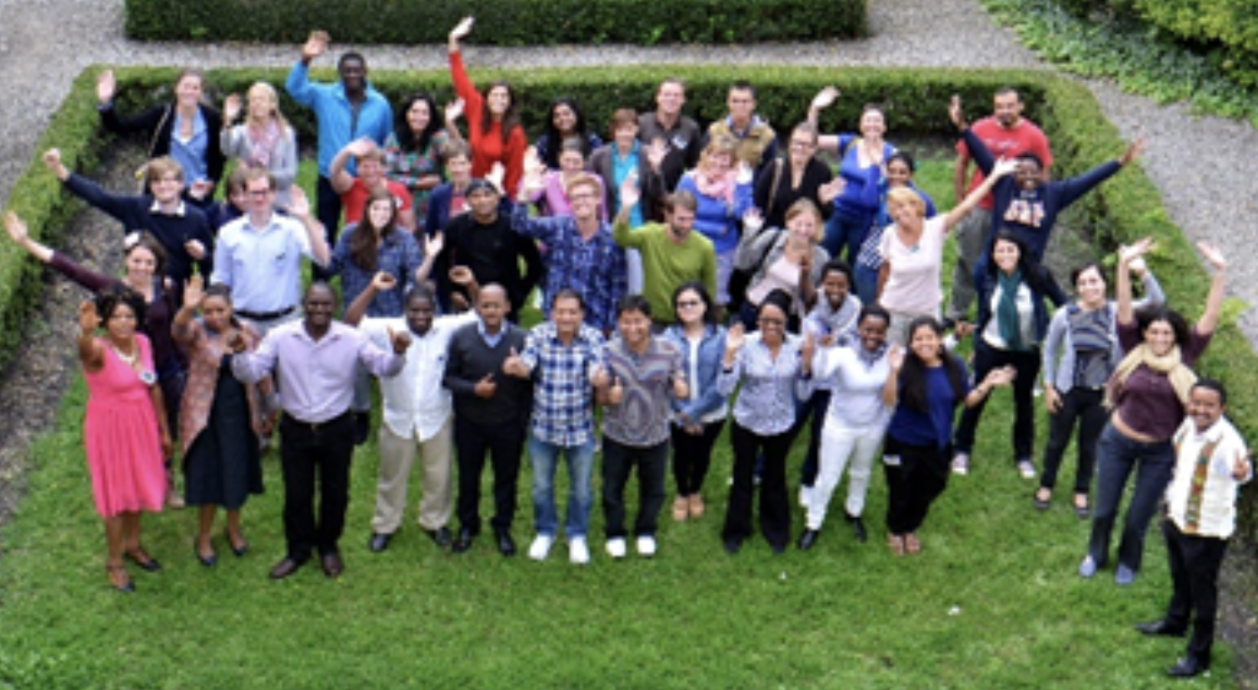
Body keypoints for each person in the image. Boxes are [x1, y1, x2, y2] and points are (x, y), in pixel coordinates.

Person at [229, 283, 410, 580]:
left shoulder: (352, 338)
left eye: (326, 304)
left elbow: (383, 368)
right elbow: (251, 371)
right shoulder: (281, 336)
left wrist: (398, 354)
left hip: (337, 427)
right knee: (297, 494)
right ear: (304, 304)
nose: (319, 309)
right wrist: (239, 353)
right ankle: (298, 551)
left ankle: (328, 547)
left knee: (335, 492)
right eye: (313, 303)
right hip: (296, 427)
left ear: (334, 306)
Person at [5, 213, 187, 506]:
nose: (142, 267)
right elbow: (70, 268)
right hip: (131, 369)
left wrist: (183, 365)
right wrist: (26, 242)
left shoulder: (166, 287)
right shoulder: (112, 289)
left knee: (171, 425)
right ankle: (154, 480)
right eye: (137, 260)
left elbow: (173, 326)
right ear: (127, 260)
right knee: (146, 426)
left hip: (166, 368)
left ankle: (168, 476)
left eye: (148, 262)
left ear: (157, 265)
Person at [1080, 238, 1226, 585]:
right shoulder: (1133, 348)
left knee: (1138, 516)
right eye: (1154, 331)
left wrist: (1220, 272)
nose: (1160, 337)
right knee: (1104, 510)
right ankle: (1095, 553)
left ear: (1176, 336)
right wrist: (1123, 265)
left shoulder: (1187, 357)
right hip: (1117, 441)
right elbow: (1125, 310)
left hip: (1160, 451)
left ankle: (1128, 562)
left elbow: (1210, 316)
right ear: (1145, 334)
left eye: (1167, 332)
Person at [345, 272, 478, 552]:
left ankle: (434, 521)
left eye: (426, 310)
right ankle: (385, 525)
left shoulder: (446, 328)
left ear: (434, 310)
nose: (420, 316)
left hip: (437, 415)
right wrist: (371, 288)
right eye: (414, 310)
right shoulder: (387, 328)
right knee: (391, 475)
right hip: (398, 417)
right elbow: (350, 322)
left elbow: (480, 314)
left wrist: (471, 284)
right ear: (405, 310)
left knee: (438, 476)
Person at [1134, 380, 1252, 679]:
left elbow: (1239, 472)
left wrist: (1243, 473)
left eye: (1209, 405)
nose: (1200, 410)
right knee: (1180, 577)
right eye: (1195, 403)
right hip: (1178, 518)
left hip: (1206, 531)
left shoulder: (1228, 442)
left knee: (1203, 593)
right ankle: (1175, 623)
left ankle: (1199, 656)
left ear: (1221, 409)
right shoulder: (1188, 425)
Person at [949, 96, 1144, 271]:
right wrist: (962, 126)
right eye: (1022, 172)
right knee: (984, 287)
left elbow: (1089, 180)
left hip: (1028, 267)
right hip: (997, 264)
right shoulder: (1004, 185)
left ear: (1041, 173)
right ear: (1013, 172)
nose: (1027, 177)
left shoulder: (1054, 193)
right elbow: (980, 152)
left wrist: (1120, 162)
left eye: (1033, 172)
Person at [1038, 256, 1165, 515]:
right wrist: (1049, 386)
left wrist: (1142, 271)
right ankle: (1046, 484)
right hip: (1068, 389)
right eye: (1083, 283)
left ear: (1104, 284)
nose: (1089, 287)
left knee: (1090, 444)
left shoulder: (1119, 312)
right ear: (1077, 288)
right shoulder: (1065, 315)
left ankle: (1081, 490)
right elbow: (1049, 351)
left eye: (1094, 281)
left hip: (1101, 393)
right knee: (1057, 441)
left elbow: (1156, 301)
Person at [881, 317, 1014, 555]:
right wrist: (893, 372)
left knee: (931, 487)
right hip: (903, 442)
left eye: (929, 337)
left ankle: (910, 527)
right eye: (918, 339)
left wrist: (987, 383)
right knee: (900, 489)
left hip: (938, 444)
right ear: (911, 343)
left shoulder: (955, 366)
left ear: (940, 340)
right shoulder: (906, 367)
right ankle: (895, 529)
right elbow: (889, 400)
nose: (924, 343)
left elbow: (968, 400)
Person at [950, 232, 1068, 479]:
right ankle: (962, 449)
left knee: (1023, 403)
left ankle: (1023, 455)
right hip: (991, 347)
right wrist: (977, 338)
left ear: (1020, 251)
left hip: (1026, 351)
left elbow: (1063, 304)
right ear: (992, 255)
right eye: (999, 250)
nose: (1004, 255)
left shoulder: (1038, 276)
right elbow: (985, 311)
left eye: (1010, 249)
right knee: (978, 397)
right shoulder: (987, 277)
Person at [77, 289, 172, 593]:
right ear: (105, 320)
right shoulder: (98, 350)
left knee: (137, 484)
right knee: (116, 495)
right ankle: (115, 562)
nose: (123, 322)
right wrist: (84, 332)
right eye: (116, 316)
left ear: (137, 320)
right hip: (110, 428)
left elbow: (153, 387)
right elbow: (85, 352)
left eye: (129, 316)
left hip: (141, 422)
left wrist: (164, 430)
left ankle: (133, 544)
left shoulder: (142, 343)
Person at [327, 189, 440, 444]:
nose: (380, 214)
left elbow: (416, 277)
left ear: (393, 215)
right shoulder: (350, 234)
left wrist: (430, 258)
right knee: (356, 367)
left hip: (391, 313)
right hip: (358, 313)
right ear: (367, 210)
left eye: (386, 210)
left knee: (396, 364)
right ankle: (362, 412)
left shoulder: (403, 238)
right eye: (376, 208)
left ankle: (400, 413)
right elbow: (330, 266)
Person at [502, 289, 606, 565]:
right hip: (543, 428)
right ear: (552, 313)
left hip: (580, 429)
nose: (566, 317)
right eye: (561, 311)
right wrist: (516, 366)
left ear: (582, 314)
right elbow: (527, 365)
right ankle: (545, 531)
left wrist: (600, 378)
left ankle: (577, 534)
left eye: (572, 312)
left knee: (581, 488)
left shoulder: (594, 338)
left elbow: (597, 370)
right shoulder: (538, 335)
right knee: (540, 487)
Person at [173, 276, 271, 567]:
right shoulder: (198, 331)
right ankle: (203, 535)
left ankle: (233, 528)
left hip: (239, 414)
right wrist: (187, 309)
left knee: (236, 470)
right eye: (209, 311)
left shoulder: (249, 333)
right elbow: (178, 332)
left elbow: (261, 372)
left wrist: (269, 408)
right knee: (209, 474)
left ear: (231, 308)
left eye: (220, 310)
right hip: (205, 416)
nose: (214, 317)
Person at [877, 157, 1018, 347]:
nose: (899, 213)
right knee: (894, 361)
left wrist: (994, 176)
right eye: (894, 209)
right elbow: (885, 270)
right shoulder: (889, 234)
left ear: (917, 207)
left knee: (927, 358)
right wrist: (879, 303)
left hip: (926, 310)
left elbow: (967, 205)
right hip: (894, 309)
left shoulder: (935, 228)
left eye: (904, 206)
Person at [718, 290, 815, 555]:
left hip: (781, 424)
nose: (770, 328)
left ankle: (775, 530)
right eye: (765, 321)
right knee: (743, 476)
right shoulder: (745, 344)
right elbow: (725, 388)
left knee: (775, 477)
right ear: (757, 320)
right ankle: (736, 530)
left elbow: (804, 394)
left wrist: (807, 364)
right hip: (747, 422)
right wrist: (729, 356)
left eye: (777, 322)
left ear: (787, 323)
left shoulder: (796, 346)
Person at [947, 87, 1053, 328]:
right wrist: (961, 200)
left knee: (1008, 264)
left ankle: (999, 311)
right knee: (968, 260)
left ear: (1020, 106)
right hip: (979, 206)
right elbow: (962, 163)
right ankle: (956, 312)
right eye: (999, 106)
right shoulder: (980, 129)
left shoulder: (1034, 136)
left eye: (1010, 105)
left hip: (1012, 211)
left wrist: (1039, 206)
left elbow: (1043, 175)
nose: (1004, 111)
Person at [286, 30, 393, 266]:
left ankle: (360, 271)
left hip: (365, 180)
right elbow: (294, 89)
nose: (352, 75)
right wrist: (305, 59)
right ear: (340, 73)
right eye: (347, 71)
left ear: (365, 72)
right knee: (325, 231)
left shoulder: (380, 104)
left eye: (357, 70)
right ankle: (322, 281)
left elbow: (387, 141)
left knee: (365, 230)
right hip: (330, 175)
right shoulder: (324, 95)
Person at [443, 282, 532, 556]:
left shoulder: (522, 339)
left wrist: (521, 372)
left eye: (496, 305)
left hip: (507, 423)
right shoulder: (461, 337)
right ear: (477, 307)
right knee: (469, 477)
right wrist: (473, 390)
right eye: (485, 305)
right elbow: (448, 378)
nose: (491, 310)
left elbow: (533, 381)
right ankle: (468, 525)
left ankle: (502, 526)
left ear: (507, 307)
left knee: (506, 478)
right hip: (470, 423)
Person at [43, 149, 213, 289]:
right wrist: (60, 170)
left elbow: (211, 265)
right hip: (136, 291)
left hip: (174, 297)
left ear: (181, 184)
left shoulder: (196, 219)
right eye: (157, 181)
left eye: (168, 180)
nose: (163, 186)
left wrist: (203, 255)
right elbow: (99, 197)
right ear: (151, 186)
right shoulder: (136, 207)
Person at [599, 295, 686, 558]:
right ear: (618, 322)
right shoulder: (608, 351)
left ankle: (645, 530)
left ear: (650, 321)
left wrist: (681, 388)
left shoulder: (669, 351)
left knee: (654, 489)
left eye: (638, 321)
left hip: (655, 435)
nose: (632, 328)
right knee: (612, 487)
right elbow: (599, 396)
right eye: (626, 321)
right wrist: (606, 395)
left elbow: (678, 383)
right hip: (617, 433)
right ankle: (615, 532)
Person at [799, 305, 893, 550]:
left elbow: (925, 351)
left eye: (879, 331)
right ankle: (813, 523)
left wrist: (954, 338)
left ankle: (854, 512)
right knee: (828, 478)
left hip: (872, 426)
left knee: (861, 473)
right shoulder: (842, 352)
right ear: (859, 327)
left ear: (886, 333)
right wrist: (820, 351)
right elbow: (819, 373)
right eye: (867, 329)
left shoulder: (891, 354)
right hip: (840, 425)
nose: (872, 336)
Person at [211, 168, 330, 336]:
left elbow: (323, 259)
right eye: (254, 193)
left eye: (264, 192)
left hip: (285, 321)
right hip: (244, 322)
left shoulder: (292, 228)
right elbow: (220, 279)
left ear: (273, 193)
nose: (260, 198)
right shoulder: (228, 233)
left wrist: (305, 218)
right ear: (245, 195)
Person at [513, 167, 626, 334]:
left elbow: (618, 283)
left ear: (598, 199)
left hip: (595, 319)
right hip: (558, 317)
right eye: (575, 198)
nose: (581, 201)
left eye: (586, 196)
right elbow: (520, 225)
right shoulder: (558, 226)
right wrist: (523, 197)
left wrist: (611, 324)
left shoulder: (612, 237)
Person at [96, 68, 225, 206]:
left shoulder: (212, 119)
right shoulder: (161, 114)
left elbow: (220, 154)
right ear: (176, 88)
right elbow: (120, 127)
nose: (190, 92)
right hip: (162, 191)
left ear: (200, 92)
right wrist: (106, 103)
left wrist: (212, 181)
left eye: (195, 88)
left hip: (197, 193)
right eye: (186, 86)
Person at [796, 259, 863, 506]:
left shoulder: (856, 308)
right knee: (787, 426)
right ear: (822, 283)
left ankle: (808, 481)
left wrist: (837, 342)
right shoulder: (814, 300)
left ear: (849, 285)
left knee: (819, 435)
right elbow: (805, 296)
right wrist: (804, 274)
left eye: (841, 285)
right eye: (830, 284)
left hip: (834, 383)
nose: (835, 290)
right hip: (808, 374)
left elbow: (859, 344)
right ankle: (760, 470)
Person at [807, 86, 898, 264]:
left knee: (857, 265)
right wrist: (814, 109)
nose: (872, 125)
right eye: (868, 120)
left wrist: (879, 164)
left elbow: (895, 186)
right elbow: (812, 141)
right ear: (860, 125)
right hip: (838, 213)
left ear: (884, 126)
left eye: (877, 121)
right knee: (822, 258)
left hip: (867, 221)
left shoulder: (892, 154)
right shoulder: (851, 143)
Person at [662, 282, 728, 522]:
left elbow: (723, 381)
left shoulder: (721, 336)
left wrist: (695, 413)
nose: (687, 308)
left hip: (712, 412)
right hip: (677, 413)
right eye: (682, 304)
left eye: (693, 302)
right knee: (680, 454)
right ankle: (681, 493)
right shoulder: (668, 337)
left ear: (704, 305)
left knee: (702, 454)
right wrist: (684, 414)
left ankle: (695, 491)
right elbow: (664, 380)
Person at [612, 182, 717, 329]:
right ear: (668, 215)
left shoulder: (705, 246)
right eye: (681, 219)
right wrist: (626, 208)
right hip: (654, 319)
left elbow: (709, 289)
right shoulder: (651, 234)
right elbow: (621, 237)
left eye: (690, 219)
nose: (686, 225)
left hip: (686, 320)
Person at [437, 178, 543, 318]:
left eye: (487, 194)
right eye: (476, 196)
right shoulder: (455, 227)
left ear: (497, 198)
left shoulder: (513, 226)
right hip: (467, 298)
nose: (482, 200)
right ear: (467, 201)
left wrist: (520, 295)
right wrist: (451, 291)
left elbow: (534, 263)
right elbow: (441, 261)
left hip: (505, 300)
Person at [447, 17, 528, 197]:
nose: (499, 99)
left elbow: (515, 172)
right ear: (487, 98)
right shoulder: (477, 110)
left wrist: (506, 199)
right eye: (494, 95)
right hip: (470, 188)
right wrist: (453, 40)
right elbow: (460, 78)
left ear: (510, 102)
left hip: (495, 194)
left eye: (504, 96)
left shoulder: (515, 133)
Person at [675, 137, 754, 310]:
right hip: (690, 244)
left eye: (725, 158)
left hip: (723, 249)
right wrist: (716, 229)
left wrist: (742, 186)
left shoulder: (737, 183)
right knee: (688, 295)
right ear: (706, 156)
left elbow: (744, 215)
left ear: (733, 162)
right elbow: (678, 215)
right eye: (715, 156)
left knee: (716, 299)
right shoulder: (689, 180)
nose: (719, 162)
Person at [590, 108, 660, 293]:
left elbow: (658, 194)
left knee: (637, 281)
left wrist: (656, 170)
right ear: (613, 130)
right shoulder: (600, 156)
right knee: (609, 277)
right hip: (610, 224)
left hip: (639, 225)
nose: (625, 134)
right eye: (620, 129)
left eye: (629, 128)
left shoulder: (647, 154)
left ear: (637, 129)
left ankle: (635, 317)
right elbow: (591, 190)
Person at [854, 151, 937, 304]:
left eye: (902, 172)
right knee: (871, 310)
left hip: (904, 261)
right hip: (872, 259)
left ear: (911, 174)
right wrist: (874, 170)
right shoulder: (879, 190)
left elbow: (933, 227)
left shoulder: (920, 199)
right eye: (891, 171)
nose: (896, 177)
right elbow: (866, 202)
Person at [733, 199, 829, 330]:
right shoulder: (772, 237)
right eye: (798, 224)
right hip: (753, 308)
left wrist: (805, 274)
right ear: (788, 222)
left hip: (787, 320)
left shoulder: (821, 258)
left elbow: (811, 300)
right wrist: (749, 233)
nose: (803, 230)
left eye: (809, 225)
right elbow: (742, 263)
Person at [220, 82, 299, 206]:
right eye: (253, 100)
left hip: (278, 201)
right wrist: (228, 120)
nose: (257, 103)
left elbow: (289, 175)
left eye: (262, 99)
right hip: (248, 201)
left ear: (272, 104)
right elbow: (227, 150)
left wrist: (256, 176)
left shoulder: (286, 134)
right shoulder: (242, 132)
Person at [753, 122, 841, 231]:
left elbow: (825, 216)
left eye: (805, 144)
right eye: (796, 142)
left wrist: (824, 203)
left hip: (804, 237)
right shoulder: (775, 167)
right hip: (773, 237)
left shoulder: (822, 172)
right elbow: (758, 203)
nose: (799, 148)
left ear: (814, 148)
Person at [637, 78, 702, 221]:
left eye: (676, 95)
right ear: (658, 97)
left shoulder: (690, 128)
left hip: (674, 199)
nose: (671, 99)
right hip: (643, 197)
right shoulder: (641, 124)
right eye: (667, 94)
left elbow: (696, 166)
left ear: (683, 100)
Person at [383, 92, 451, 228]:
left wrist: (450, 124)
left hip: (432, 201)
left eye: (424, 113)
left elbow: (456, 157)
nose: (419, 117)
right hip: (401, 201)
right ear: (407, 114)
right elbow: (387, 174)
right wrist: (418, 183)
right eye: (414, 112)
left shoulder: (439, 137)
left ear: (431, 116)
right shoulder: (394, 138)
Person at [329, 138, 417, 232]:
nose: (371, 171)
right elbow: (335, 173)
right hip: (357, 242)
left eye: (375, 166)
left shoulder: (399, 190)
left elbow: (410, 227)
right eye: (365, 166)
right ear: (357, 169)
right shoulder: (351, 186)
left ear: (384, 168)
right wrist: (346, 151)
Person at [706, 80, 778, 181]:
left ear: (753, 104)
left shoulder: (767, 135)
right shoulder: (714, 131)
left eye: (745, 101)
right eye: (735, 101)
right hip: (718, 191)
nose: (740, 106)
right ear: (728, 103)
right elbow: (704, 164)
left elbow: (771, 172)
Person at [523, 143, 607, 220]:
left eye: (576, 162)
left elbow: (602, 213)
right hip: (556, 233)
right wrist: (530, 173)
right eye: (567, 160)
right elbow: (531, 197)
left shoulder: (595, 180)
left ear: (584, 161)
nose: (571, 166)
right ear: (559, 159)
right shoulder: (548, 179)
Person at [534, 97, 603, 171]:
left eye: (566, 114)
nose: (562, 118)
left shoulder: (592, 140)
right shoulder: (545, 141)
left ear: (576, 115)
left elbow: (599, 166)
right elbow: (538, 165)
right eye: (557, 116)